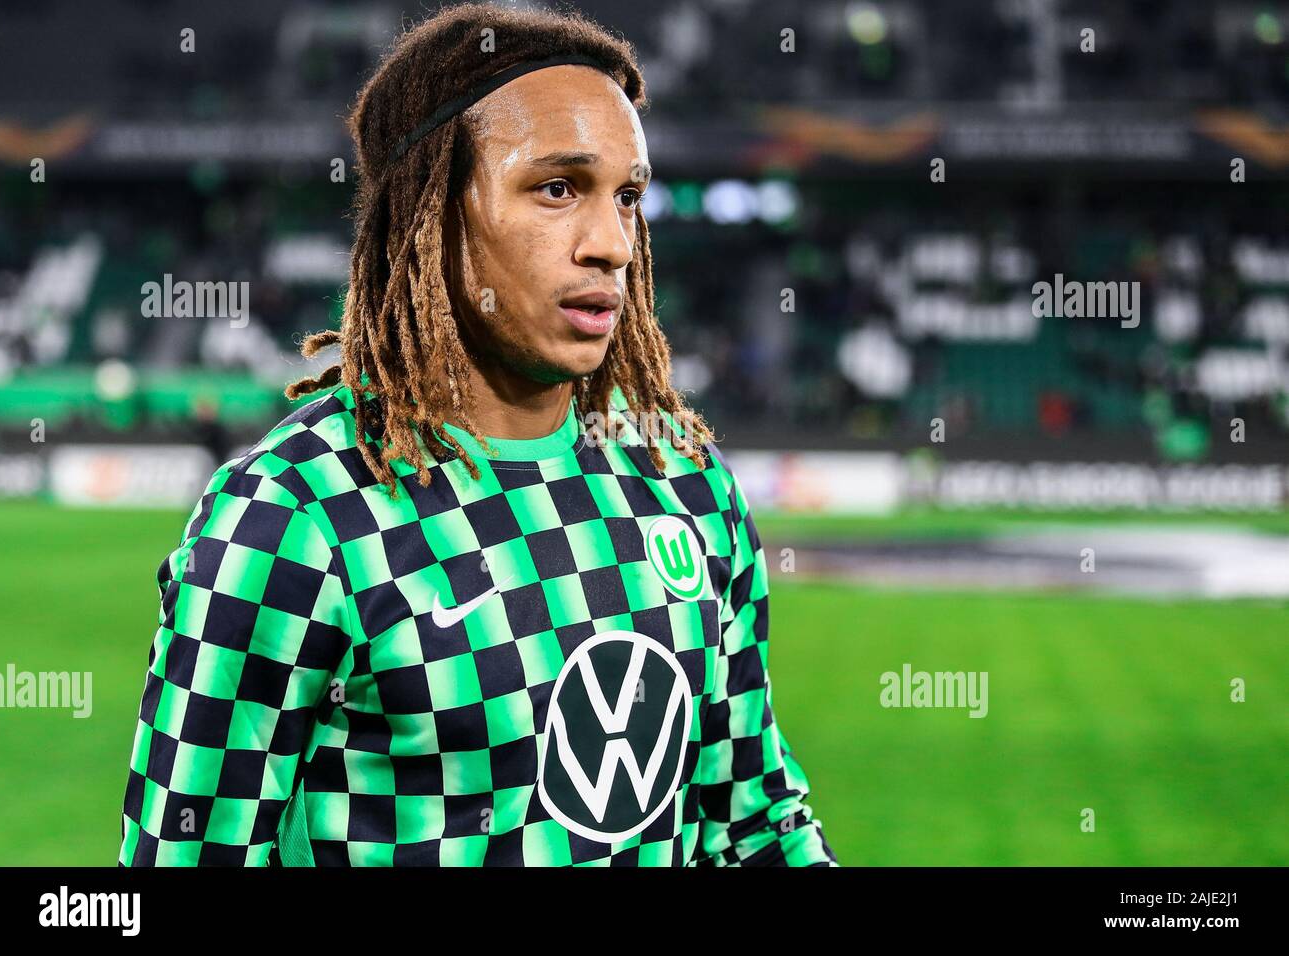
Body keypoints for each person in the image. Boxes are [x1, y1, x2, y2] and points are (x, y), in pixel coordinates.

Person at [119, 1, 837, 867]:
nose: (612, 243)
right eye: (558, 188)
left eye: (631, 197)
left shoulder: (687, 481)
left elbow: (753, 824)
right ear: (431, 211)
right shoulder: (293, 518)